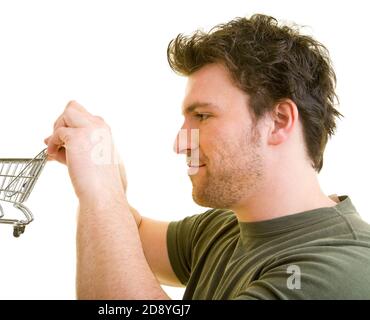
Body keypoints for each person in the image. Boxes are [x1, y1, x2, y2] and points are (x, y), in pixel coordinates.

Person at [44, 14, 370, 299]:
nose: (180, 144)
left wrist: (101, 192)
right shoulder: (222, 230)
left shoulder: (337, 270)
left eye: (201, 116)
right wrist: (106, 177)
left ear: (279, 121)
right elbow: (121, 243)